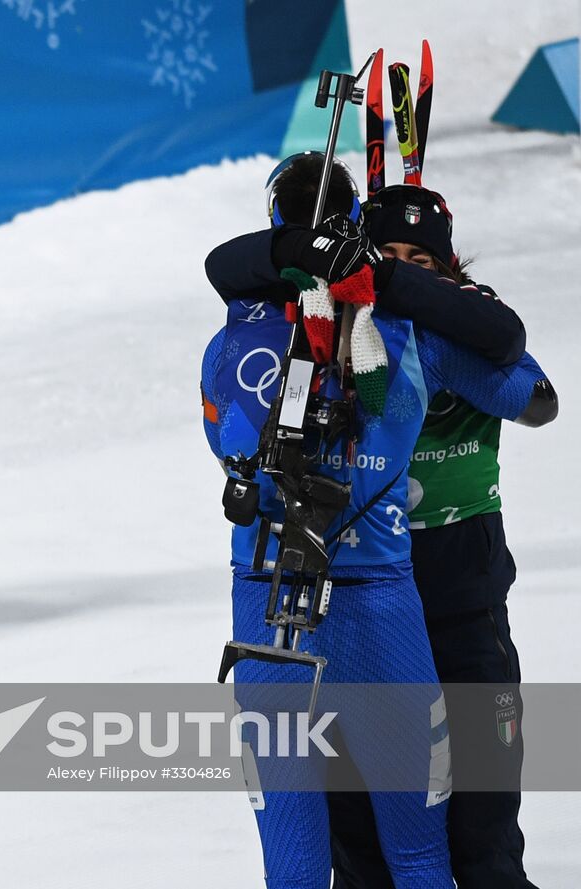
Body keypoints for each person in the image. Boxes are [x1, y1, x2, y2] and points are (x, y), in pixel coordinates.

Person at [200, 153, 556, 889]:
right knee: (418, 857)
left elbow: (228, 438)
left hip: (270, 607)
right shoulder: (404, 331)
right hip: (381, 609)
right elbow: (528, 387)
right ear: (353, 229)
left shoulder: (229, 342)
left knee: (297, 867)